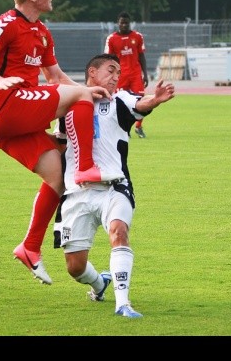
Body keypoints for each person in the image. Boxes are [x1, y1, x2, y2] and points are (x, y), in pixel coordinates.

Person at [0, 0, 119, 285]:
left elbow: (57, 79)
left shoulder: (43, 33)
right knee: (79, 98)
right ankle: (86, 167)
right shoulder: (5, 24)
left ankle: (30, 247)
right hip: (5, 106)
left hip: (12, 125)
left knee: (57, 176)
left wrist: (90, 92)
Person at [52, 53, 175, 318]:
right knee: (75, 268)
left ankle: (123, 303)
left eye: (118, 72)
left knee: (119, 232)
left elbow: (141, 104)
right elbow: (59, 148)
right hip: (77, 191)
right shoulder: (69, 104)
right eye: (111, 70)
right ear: (92, 73)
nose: (116, 76)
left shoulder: (119, 99)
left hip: (114, 187)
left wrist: (155, 99)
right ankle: (99, 282)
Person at [104, 11, 149, 138]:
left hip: (135, 74)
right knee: (121, 102)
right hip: (120, 76)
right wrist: (109, 76)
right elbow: (109, 59)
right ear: (118, 23)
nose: (124, 25)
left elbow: (141, 56)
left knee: (140, 100)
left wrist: (145, 74)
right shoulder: (111, 39)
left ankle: (139, 126)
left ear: (130, 23)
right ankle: (124, 128)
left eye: (127, 23)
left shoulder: (138, 36)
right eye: (122, 23)